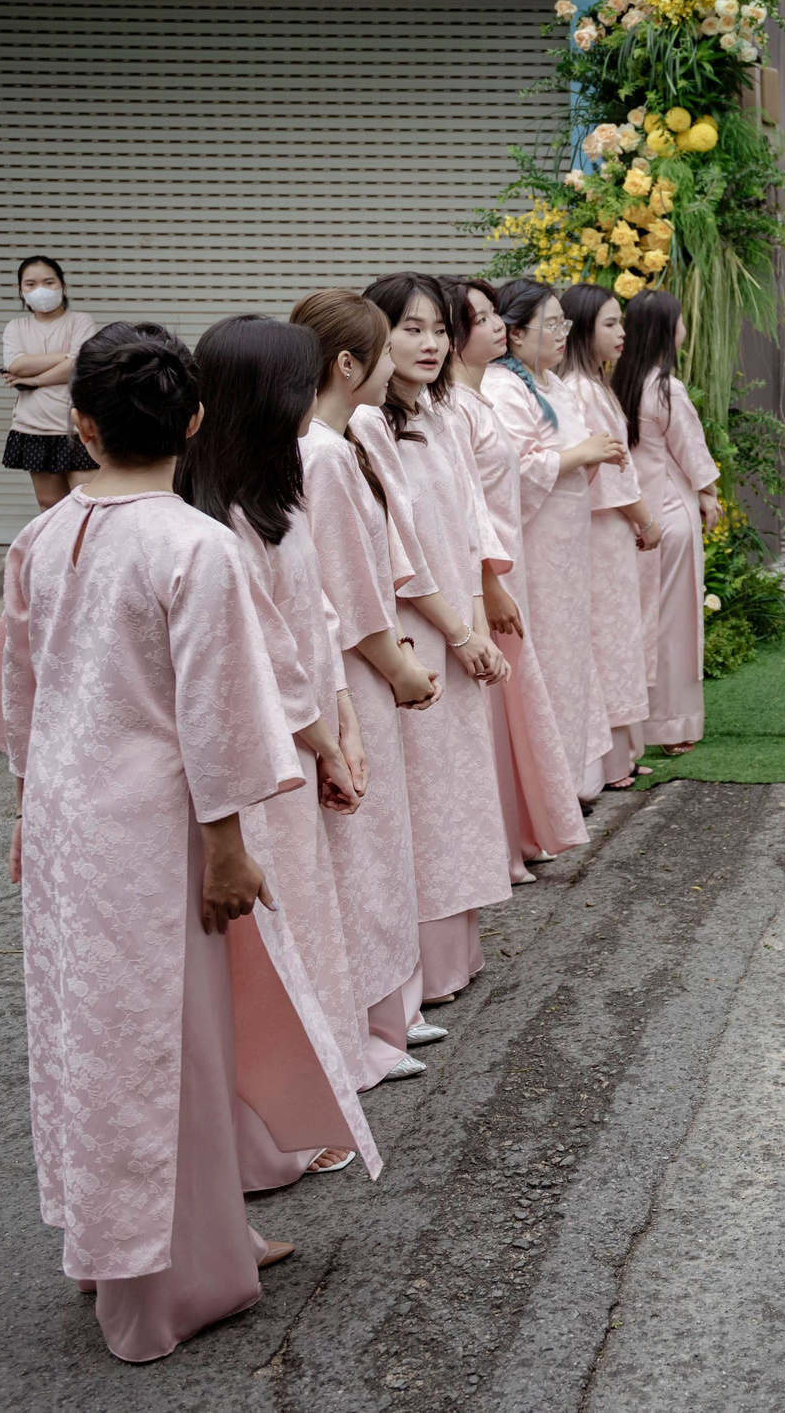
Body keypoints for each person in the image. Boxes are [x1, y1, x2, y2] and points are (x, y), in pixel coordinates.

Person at [0, 319, 377, 1363]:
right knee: (169, 1044)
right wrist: (229, 845)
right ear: (191, 419)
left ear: (81, 427)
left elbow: (25, 695)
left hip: (64, 825)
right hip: (155, 829)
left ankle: (127, 1244)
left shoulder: (39, 540)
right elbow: (218, 709)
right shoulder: (195, 545)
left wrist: (20, 813)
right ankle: (176, 1277)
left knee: (89, 1041)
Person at [176, 314, 368, 1187]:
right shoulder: (218, 520)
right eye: (299, 385)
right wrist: (324, 736)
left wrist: (335, 720)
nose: (314, 399)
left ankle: (309, 1103)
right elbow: (264, 650)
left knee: (305, 928)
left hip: (295, 741)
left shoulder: (269, 488)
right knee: (274, 946)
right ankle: (278, 1131)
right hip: (261, 758)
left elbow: (312, 619)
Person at [290, 290, 436, 1086]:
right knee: (363, 847)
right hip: (352, 670)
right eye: (385, 349)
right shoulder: (326, 454)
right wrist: (402, 669)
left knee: (366, 847)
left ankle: (381, 1021)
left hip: (349, 663)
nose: (395, 364)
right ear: (348, 365)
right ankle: (367, 1032)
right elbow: (350, 592)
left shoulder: (323, 444)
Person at [358, 275, 514, 1010]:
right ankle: (409, 970)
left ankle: (454, 955)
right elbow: (395, 550)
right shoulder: (366, 427)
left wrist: (478, 620)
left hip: (457, 622)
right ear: (372, 337)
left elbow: (470, 525)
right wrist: (454, 631)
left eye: (439, 330)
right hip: (415, 629)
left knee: (456, 790)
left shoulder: (444, 413)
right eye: (410, 328)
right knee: (421, 793)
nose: (430, 343)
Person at [447, 279, 591, 880]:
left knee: (514, 700)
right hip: (488, 567)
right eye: (478, 319)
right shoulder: (464, 405)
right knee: (498, 699)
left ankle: (520, 830)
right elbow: (469, 507)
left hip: (509, 560)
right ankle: (504, 842)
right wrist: (490, 581)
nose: (495, 326)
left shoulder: (476, 399)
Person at [484, 281, 624, 818]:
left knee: (569, 657)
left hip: (566, 545)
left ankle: (567, 781)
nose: (563, 333)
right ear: (515, 333)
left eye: (565, 323)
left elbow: (564, 452)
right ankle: (548, 789)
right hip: (538, 545)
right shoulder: (504, 387)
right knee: (547, 657)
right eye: (552, 324)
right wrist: (581, 452)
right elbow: (516, 468)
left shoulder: (553, 384)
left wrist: (593, 455)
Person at [557, 283, 660, 790]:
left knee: (614, 635)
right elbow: (615, 471)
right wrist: (647, 520)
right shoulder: (583, 391)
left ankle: (618, 754)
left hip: (604, 526)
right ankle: (613, 759)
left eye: (621, 323)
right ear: (582, 331)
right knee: (612, 636)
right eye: (611, 324)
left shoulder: (584, 387)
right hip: (603, 527)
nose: (622, 333)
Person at [616, 289, 721, 754]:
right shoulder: (665, 387)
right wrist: (710, 494)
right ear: (666, 329)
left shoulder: (616, 384)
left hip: (633, 514)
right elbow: (692, 452)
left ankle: (634, 725)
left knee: (639, 619)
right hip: (671, 514)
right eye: (678, 320)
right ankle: (674, 725)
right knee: (675, 623)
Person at [0, 255, 100, 511]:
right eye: (30, 284)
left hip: (77, 428)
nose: (40, 290)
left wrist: (33, 380)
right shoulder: (16, 327)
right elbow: (15, 365)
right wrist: (67, 357)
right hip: (34, 428)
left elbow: (79, 365)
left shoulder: (80, 321)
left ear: (63, 286)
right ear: (21, 291)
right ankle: (55, 553)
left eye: (48, 282)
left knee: (87, 503)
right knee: (49, 505)